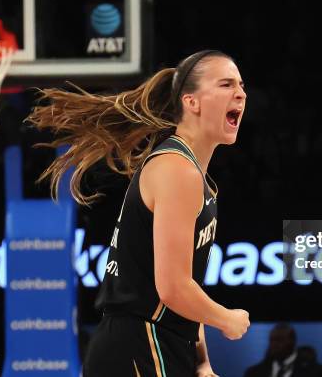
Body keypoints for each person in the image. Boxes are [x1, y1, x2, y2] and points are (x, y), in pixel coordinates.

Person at [27, 50, 250, 377]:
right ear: (192, 102)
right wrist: (226, 319)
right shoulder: (177, 170)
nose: (241, 93)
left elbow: (187, 284)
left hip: (158, 343)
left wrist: (202, 362)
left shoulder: (196, 178)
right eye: (226, 84)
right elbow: (172, 289)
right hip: (138, 342)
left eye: (242, 85)